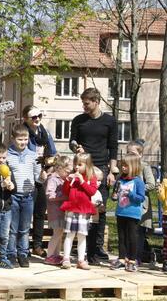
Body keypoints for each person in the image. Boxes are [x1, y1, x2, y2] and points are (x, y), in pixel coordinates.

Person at [69, 87, 118, 264]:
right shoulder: (78, 120)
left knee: (99, 208)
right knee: (83, 207)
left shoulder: (110, 121)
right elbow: (72, 142)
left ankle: (96, 250)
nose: (84, 107)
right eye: (83, 103)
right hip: (84, 167)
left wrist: (112, 171)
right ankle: (84, 250)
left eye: (87, 103)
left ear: (96, 101)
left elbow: (113, 147)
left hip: (102, 168)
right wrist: (76, 148)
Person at [22, 105, 57, 257]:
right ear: (25, 119)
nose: (37, 119)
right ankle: (22, 247)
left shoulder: (44, 132)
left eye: (39, 116)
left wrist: (48, 168)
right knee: (25, 213)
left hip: (42, 177)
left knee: (39, 213)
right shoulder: (22, 132)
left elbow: (52, 153)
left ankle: (37, 245)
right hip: (26, 177)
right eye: (33, 117)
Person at [6, 126, 43, 268]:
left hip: (28, 196)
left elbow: (38, 177)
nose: (23, 142)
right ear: (13, 139)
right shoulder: (8, 155)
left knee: (25, 228)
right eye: (20, 139)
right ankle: (10, 254)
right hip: (13, 196)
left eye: (26, 139)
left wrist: (42, 177)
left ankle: (23, 254)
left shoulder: (33, 155)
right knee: (13, 228)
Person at [60, 153, 99, 270]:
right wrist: (67, 181)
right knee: (69, 234)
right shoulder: (73, 176)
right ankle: (66, 258)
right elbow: (66, 192)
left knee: (82, 235)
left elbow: (92, 192)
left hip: (84, 210)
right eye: (75, 164)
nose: (77, 167)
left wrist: (82, 181)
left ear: (87, 166)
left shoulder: (91, 177)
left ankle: (81, 260)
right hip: (72, 209)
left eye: (80, 165)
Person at [111, 154, 146, 272]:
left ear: (133, 166)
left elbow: (141, 198)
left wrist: (130, 194)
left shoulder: (138, 182)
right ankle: (121, 259)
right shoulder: (120, 179)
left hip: (133, 213)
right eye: (122, 165)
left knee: (132, 237)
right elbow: (115, 194)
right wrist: (114, 196)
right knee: (121, 237)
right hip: (121, 212)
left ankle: (132, 260)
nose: (123, 168)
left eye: (125, 166)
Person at [126, 140, 157, 267]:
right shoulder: (126, 166)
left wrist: (137, 188)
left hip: (141, 206)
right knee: (128, 231)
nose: (130, 155)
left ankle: (137, 257)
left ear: (140, 154)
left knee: (138, 233)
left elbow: (151, 184)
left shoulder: (144, 166)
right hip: (127, 205)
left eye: (132, 153)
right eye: (128, 152)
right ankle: (127, 256)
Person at [44, 155, 71, 266]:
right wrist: (64, 196)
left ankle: (56, 254)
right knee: (57, 233)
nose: (68, 174)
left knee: (60, 233)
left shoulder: (63, 178)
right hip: (55, 211)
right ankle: (49, 256)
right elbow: (49, 195)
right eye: (67, 171)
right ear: (59, 168)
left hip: (62, 211)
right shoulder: (53, 179)